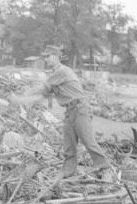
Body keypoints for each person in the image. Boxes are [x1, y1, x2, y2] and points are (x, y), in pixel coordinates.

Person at [12, 45, 111, 178]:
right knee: (69, 144)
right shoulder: (54, 75)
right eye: (45, 57)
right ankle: (68, 171)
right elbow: (42, 96)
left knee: (88, 140)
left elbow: (41, 88)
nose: (46, 59)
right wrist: (21, 101)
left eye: (48, 56)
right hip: (70, 111)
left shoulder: (62, 71)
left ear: (56, 57)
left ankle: (104, 166)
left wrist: (20, 96)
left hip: (80, 109)